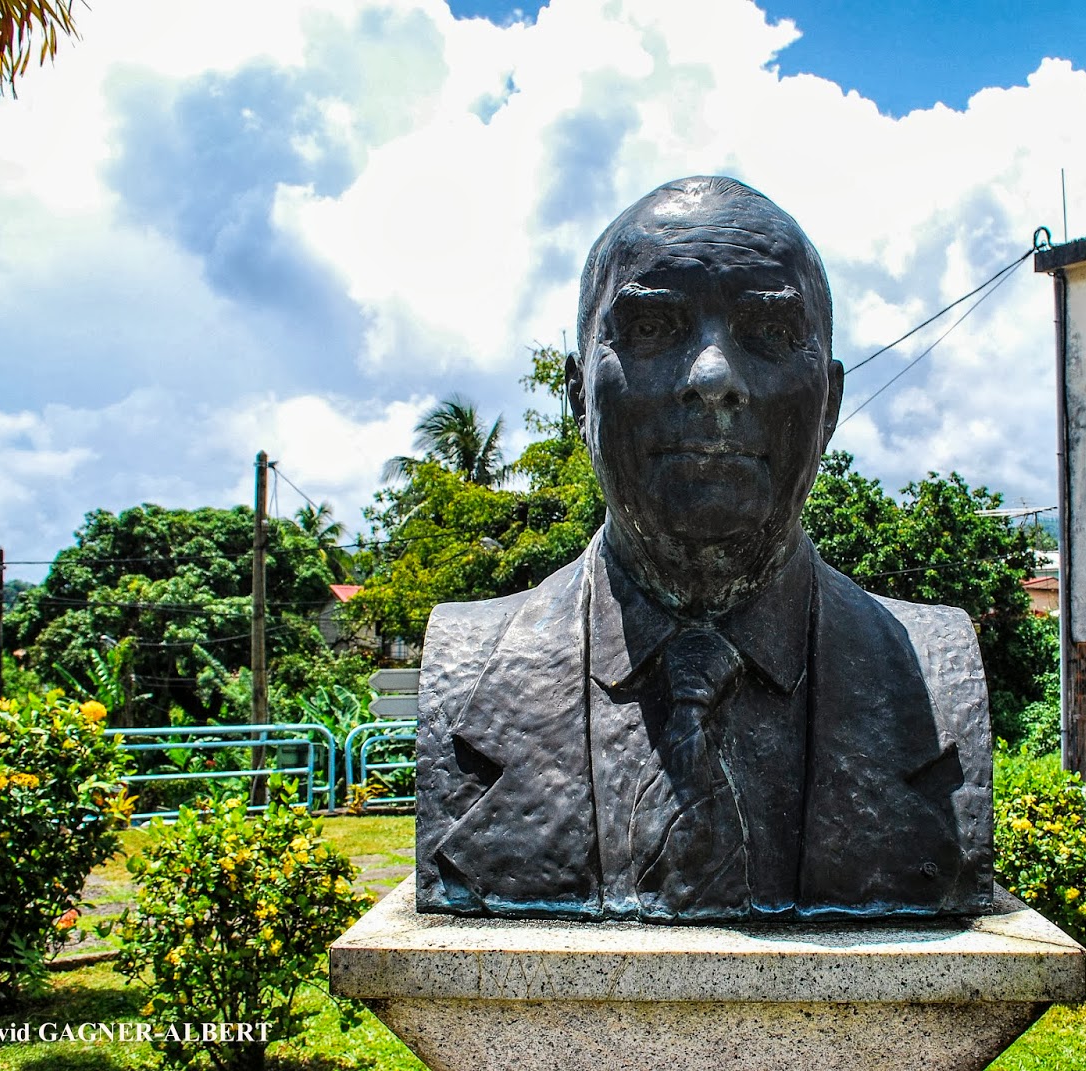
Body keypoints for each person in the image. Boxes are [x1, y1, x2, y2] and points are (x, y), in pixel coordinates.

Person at [415, 176, 992, 922]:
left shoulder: (934, 674)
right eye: (652, 329)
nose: (713, 377)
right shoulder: (465, 663)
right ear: (579, 397)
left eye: (773, 335)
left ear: (831, 404)